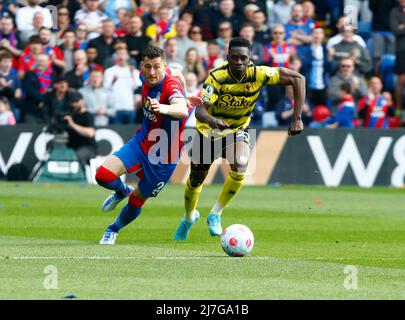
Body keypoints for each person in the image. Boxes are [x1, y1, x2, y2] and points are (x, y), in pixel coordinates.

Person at [173, 37, 305, 240]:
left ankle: (215, 214)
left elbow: (298, 79)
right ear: (228, 58)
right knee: (197, 178)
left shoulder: (259, 73)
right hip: (209, 131)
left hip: (238, 128)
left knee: (240, 164)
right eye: (234, 57)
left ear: (250, 58)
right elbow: (199, 112)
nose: (239, 62)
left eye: (243, 57)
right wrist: (214, 121)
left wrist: (297, 118)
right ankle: (189, 217)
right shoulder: (216, 77)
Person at [95, 45, 189, 245]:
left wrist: (164, 107)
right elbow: (179, 73)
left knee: (138, 199)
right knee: (102, 176)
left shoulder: (170, 86)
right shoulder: (144, 76)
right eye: (148, 67)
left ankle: (113, 229)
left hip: (165, 155)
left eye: (157, 67)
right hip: (142, 142)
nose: (153, 72)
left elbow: (181, 110)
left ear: (164, 66)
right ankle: (121, 190)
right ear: (142, 67)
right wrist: (186, 90)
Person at [64, 91, 98, 169]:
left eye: (76, 101)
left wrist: (72, 124)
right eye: (72, 102)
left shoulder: (88, 115)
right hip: (71, 147)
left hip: (88, 147)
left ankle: (81, 178)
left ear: (82, 101)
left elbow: (90, 133)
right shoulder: (69, 115)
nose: (74, 104)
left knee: (78, 155)